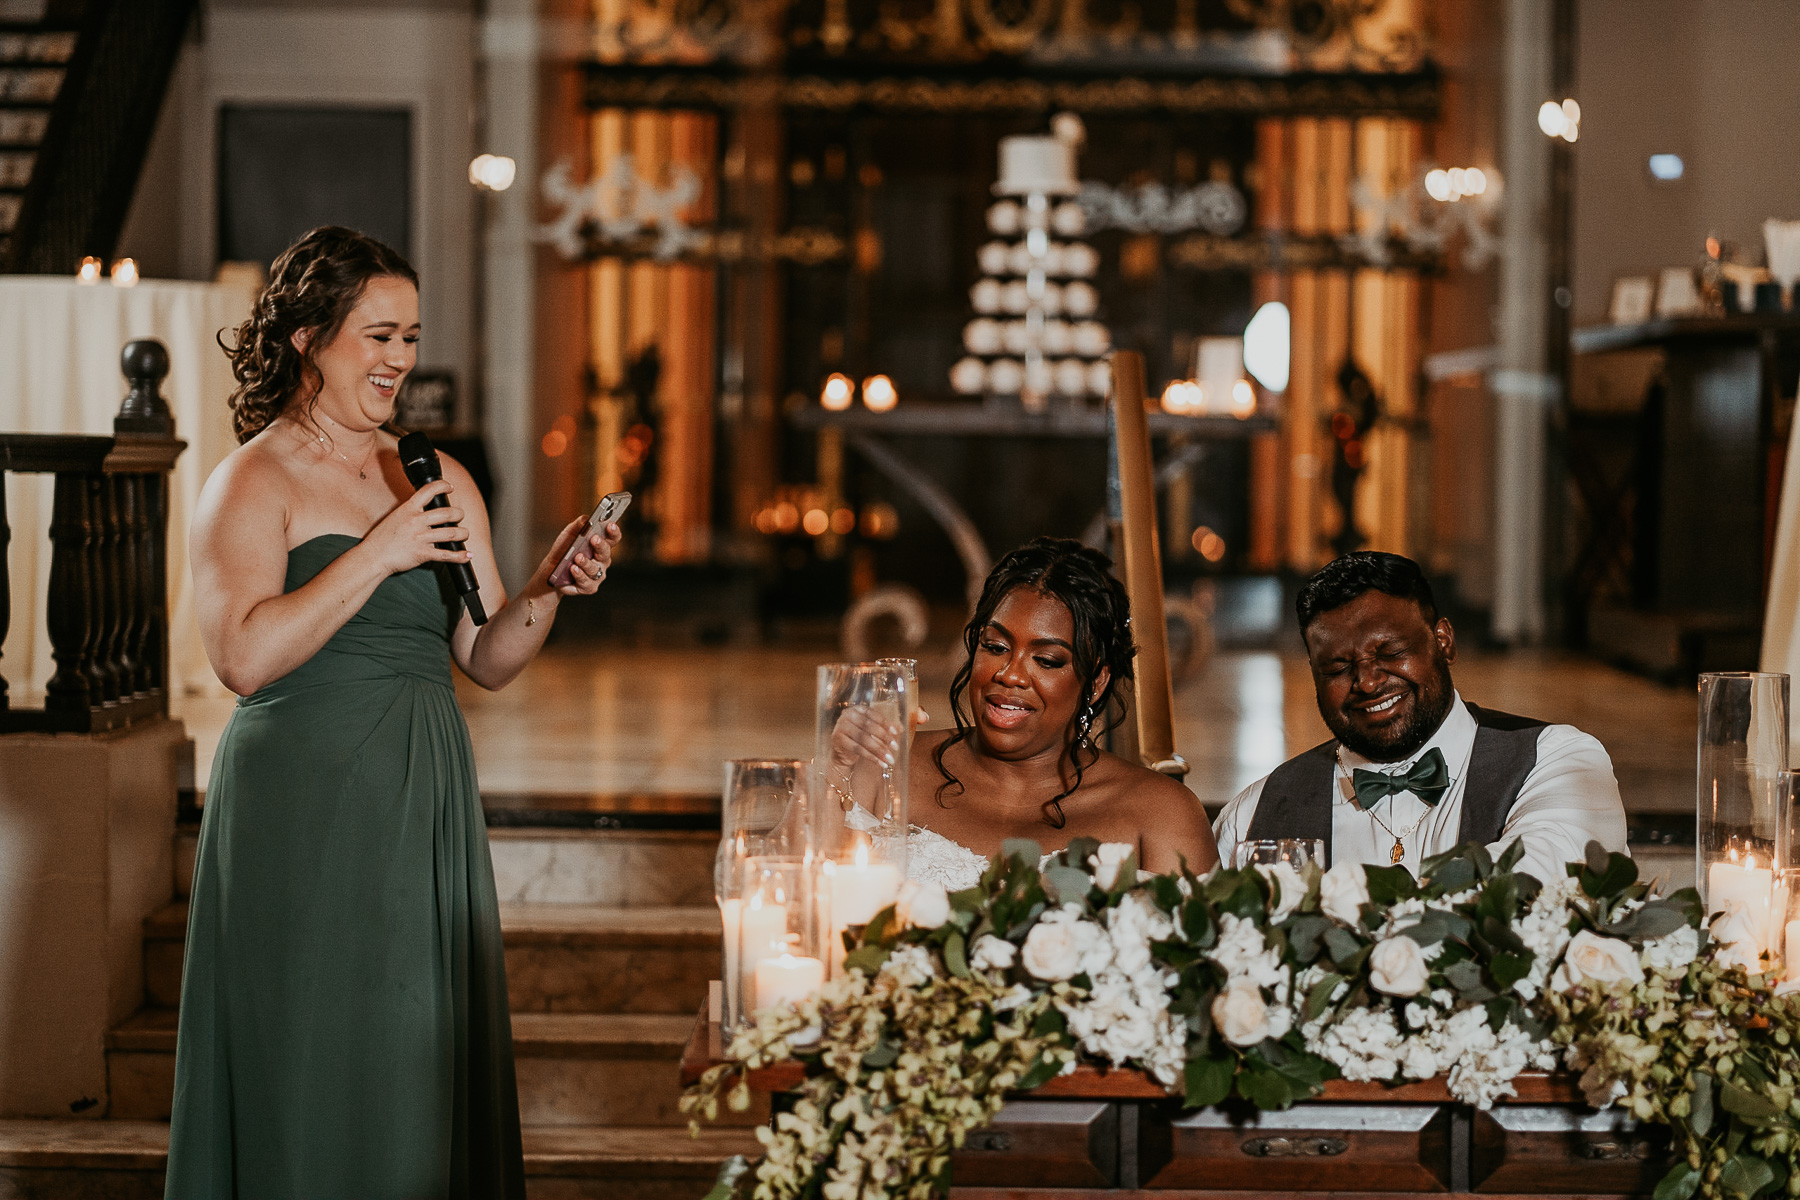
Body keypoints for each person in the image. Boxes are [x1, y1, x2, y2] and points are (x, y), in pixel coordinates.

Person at [166, 227, 619, 1199]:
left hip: (419, 804)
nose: (400, 360)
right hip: (297, 808)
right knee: (307, 1064)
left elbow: (486, 655)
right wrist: (377, 551)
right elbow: (241, 658)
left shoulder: (434, 475)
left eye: (410, 336)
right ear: (306, 337)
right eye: (377, 336)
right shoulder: (250, 481)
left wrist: (550, 585)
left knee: (408, 1062)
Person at [1213, 551, 1628, 882]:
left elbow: (1542, 876)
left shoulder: (1558, 760)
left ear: (1443, 641)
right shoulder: (1254, 814)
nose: (1368, 682)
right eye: (1338, 669)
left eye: (1390, 653)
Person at [834, 538, 1217, 890]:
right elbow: (795, 902)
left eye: (1047, 660)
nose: (1010, 674)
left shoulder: (1161, 814)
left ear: (1096, 681)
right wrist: (837, 767)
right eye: (995, 646)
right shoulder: (886, 769)